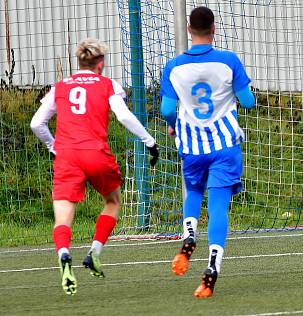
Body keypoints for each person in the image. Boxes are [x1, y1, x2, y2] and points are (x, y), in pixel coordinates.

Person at [30, 38, 160, 295]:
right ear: (100, 64)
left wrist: (54, 146)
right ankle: (94, 251)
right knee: (112, 202)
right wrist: (149, 141)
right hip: (96, 153)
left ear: (79, 61)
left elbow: (37, 123)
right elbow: (123, 115)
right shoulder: (107, 84)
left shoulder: (61, 86)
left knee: (63, 217)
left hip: (67, 156)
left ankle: (65, 253)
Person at [160, 6, 256, 298]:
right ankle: (212, 267)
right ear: (214, 29)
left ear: (189, 30)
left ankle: (189, 234)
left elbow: (166, 109)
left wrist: (174, 125)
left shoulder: (174, 66)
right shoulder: (228, 61)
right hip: (224, 145)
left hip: (192, 146)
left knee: (193, 193)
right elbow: (248, 101)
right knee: (218, 205)